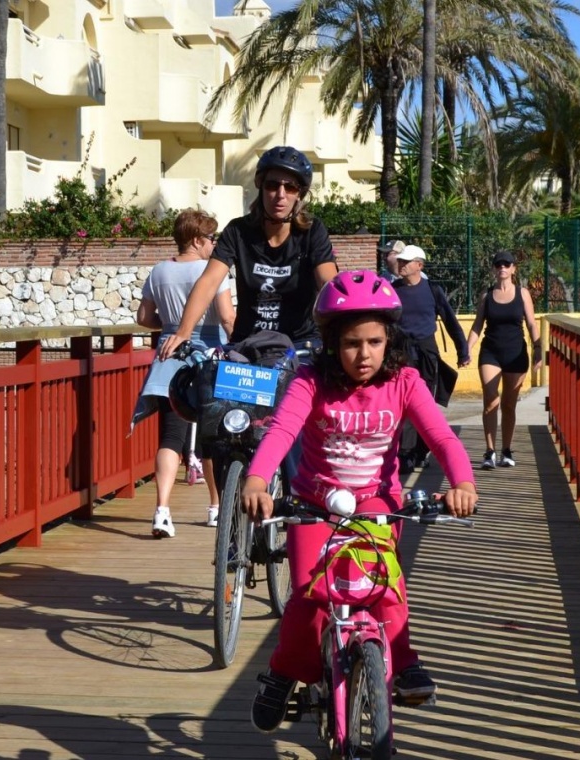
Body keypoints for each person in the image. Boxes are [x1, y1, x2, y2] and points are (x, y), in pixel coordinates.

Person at [239, 270, 478, 732]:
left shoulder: (405, 381)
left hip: (376, 502)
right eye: (351, 343)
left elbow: (442, 437)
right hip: (314, 504)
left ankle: (403, 661)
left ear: (389, 340)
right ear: (332, 344)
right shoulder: (310, 381)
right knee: (310, 598)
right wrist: (256, 480)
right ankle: (283, 673)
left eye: (374, 341)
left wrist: (462, 483)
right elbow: (282, 430)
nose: (364, 354)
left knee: (385, 586)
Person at [157, 146, 339, 361]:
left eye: (290, 187)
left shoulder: (312, 231)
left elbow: (328, 282)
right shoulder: (237, 231)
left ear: (299, 194)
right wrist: (183, 332)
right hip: (248, 346)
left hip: (300, 347)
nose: (280, 195)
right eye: (272, 185)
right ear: (261, 187)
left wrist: (340, 333)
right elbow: (209, 281)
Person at [136, 210, 236, 536]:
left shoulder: (159, 271)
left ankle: (161, 511)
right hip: (208, 358)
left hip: (170, 357)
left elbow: (143, 317)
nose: (214, 244)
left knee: (170, 437)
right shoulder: (214, 270)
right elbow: (227, 318)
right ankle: (216, 508)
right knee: (212, 437)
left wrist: (171, 327)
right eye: (211, 238)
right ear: (196, 240)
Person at [390, 245, 469, 471]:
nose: (401, 265)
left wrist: (463, 351)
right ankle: (405, 453)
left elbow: (451, 321)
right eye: (400, 261)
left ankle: (421, 451)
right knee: (404, 404)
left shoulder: (433, 290)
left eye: (406, 261)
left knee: (425, 404)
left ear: (419, 265)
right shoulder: (392, 291)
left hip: (427, 353)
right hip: (401, 353)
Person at [465, 251, 542, 469]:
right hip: (490, 352)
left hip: (516, 354)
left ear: (513, 269)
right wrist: (466, 349)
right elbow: (477, 325)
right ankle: (489, 451)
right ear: (494, 268)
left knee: (508, 404)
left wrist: (538, 349)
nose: (502, 268)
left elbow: (532, 323)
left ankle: (506, 450)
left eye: (507, 264)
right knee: (491, 400)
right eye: (498, 264)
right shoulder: (487, 295)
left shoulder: (523, 294)